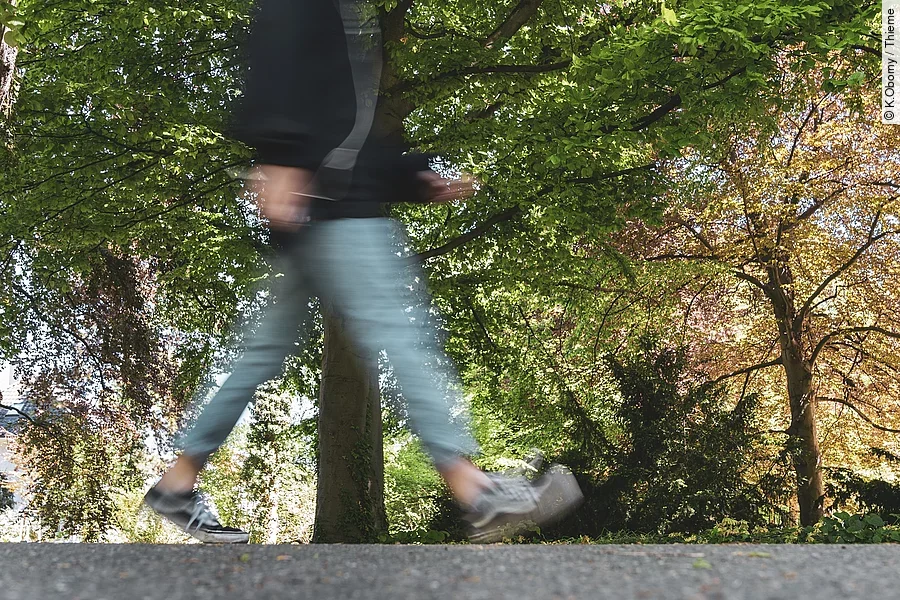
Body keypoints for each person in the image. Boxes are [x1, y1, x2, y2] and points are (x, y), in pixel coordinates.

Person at [143, 0, 582, 544]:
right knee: (401, 332)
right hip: (327, 208)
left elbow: (349, 134)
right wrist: (280, 157)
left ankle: (177, 484)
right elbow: (274, 56)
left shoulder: (350, 16)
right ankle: (476, 492)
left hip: (320, 207)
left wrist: (412, 177)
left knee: (259, 353)